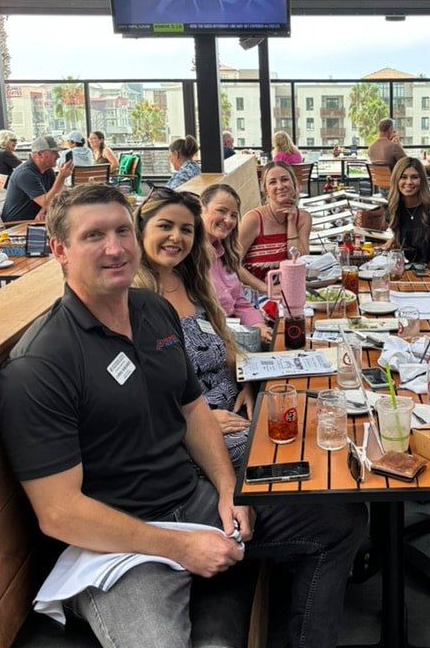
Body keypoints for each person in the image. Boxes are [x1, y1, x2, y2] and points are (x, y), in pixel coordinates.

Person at [0, 183, 377, 648]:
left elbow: (193, 408)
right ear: (59, 251)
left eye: (121, 231)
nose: (115, 247)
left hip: (191, 499)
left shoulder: (151, 310)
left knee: (338, 522)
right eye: (93, 236)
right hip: (116, 544)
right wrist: (181, 547)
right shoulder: (40, 363)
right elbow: (59, 513)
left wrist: (226, 489)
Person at [133, 187, 254, 466]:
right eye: (165, 226)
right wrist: (201, 421)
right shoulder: (132, 299)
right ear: (140, 231)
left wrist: (248, 385)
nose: (176, 237)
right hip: (190, 431)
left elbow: (224, 346)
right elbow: (137, 397)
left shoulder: (192, 283)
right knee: (278, 446)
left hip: (236, 407)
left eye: (186, 230)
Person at [200, 183, 272, 343]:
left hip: (236, 337)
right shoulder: (188, 259)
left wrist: (258, 326)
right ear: (201, 209)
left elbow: (239, 301)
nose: (228, 220)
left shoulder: (225, 255)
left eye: (233, 215)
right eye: (221, 211)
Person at [239, 161, 313, 294]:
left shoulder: (303, 218)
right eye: (272, 182)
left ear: (294, 184)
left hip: (291, 293)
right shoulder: (253, 219)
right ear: (266, 190)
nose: (280, 186)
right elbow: (232, 263)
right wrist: (267, 289)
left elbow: (298, 260)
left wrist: (291, 223)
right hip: (256, 295)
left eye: (284, 179)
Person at [387, 156, 430, 267]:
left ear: (422, 180)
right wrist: (394, 240)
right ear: (396, 180)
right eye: (403, 177)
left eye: (414, 177)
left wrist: (424, 273)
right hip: (412, 266)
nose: (409, 182)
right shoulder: (395, 207)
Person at [2, 134, 73, 221]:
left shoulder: (48, 171)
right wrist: (61, 177)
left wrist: (43, 210)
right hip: (17, 224)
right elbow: (47, 203)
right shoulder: (25, 174)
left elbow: (56, 196)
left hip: (34, 221)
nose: (58, 156)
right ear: (40, 154)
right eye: (53, 153)